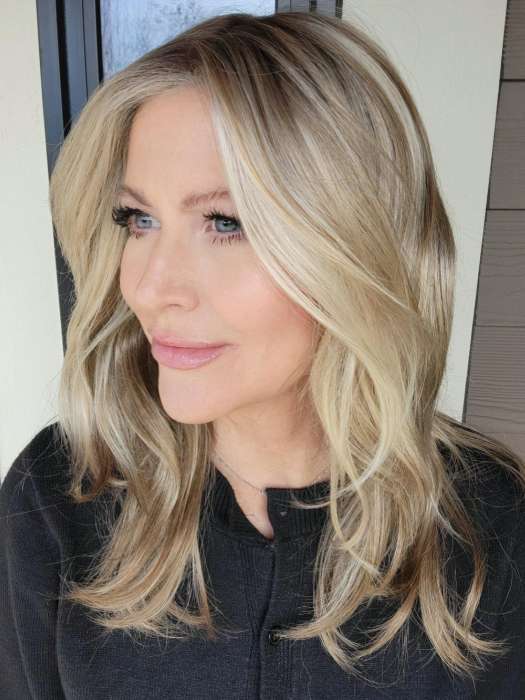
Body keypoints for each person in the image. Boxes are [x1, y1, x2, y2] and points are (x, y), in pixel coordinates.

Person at [1, 10, 524, 699]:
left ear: (357, 248)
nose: (151, 288)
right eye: (139, 219)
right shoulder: (59, 494)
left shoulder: (488, 521)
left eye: (225, 223)